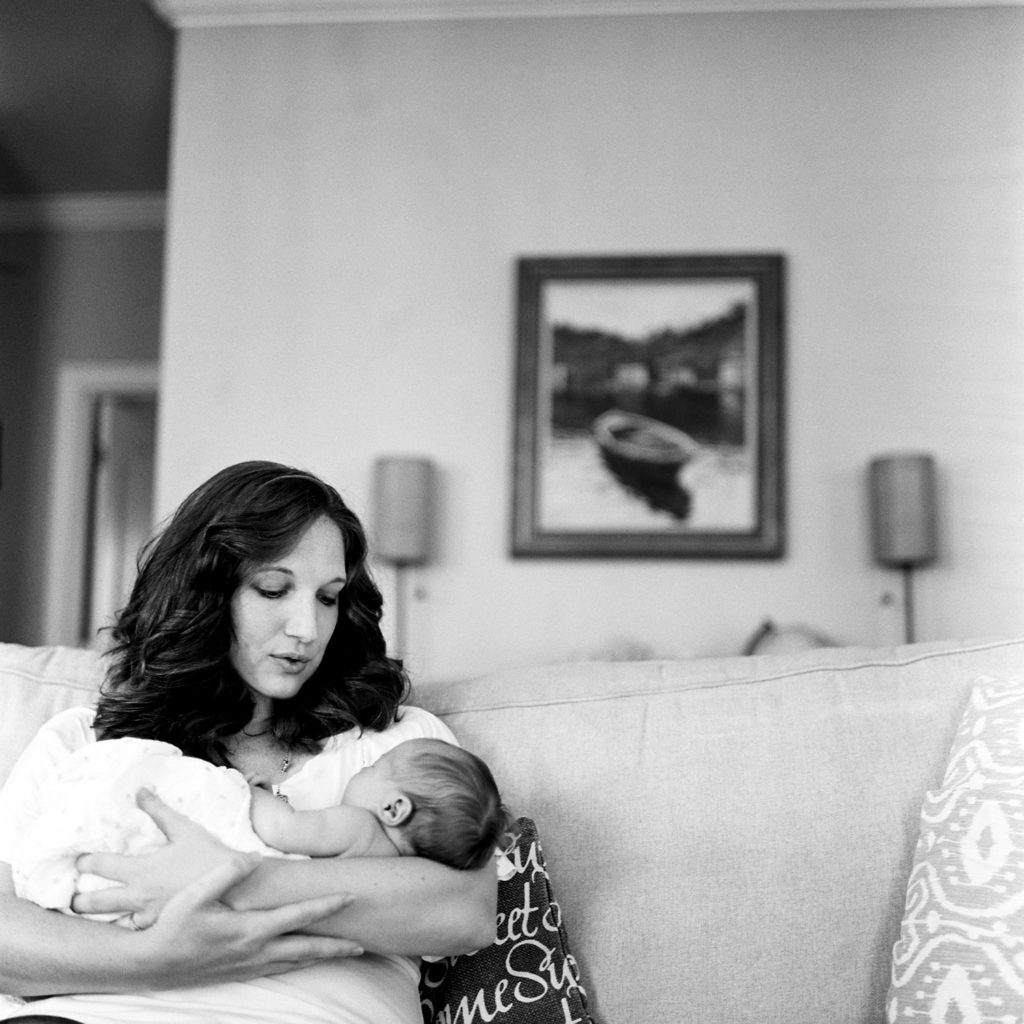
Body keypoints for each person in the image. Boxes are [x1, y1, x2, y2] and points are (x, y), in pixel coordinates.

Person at [0, 461, 499, 1024]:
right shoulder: (85, 742)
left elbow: (464, 911)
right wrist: (158, 960)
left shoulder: (399, 750)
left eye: (328, 598)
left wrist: (237, 880)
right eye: (273, 589)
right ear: (204, 592)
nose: (307, 629)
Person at [12, 735, 509, 924]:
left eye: (372, 769)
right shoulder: (398, 864)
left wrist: (253, 794)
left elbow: (285, 831)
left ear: (394, 807)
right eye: (272, 590)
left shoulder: (358, 824)